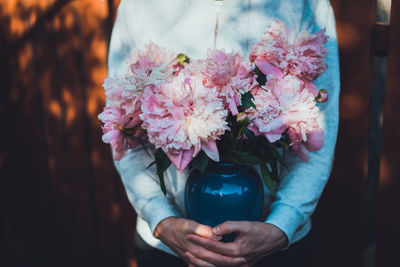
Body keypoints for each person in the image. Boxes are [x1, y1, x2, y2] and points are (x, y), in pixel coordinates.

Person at [107, 0, 340, 266]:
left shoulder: (305, 4)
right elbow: (121, 122)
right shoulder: (139, 6)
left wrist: (283, 223)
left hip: (275, 246)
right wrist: (160, 217)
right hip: (168, 245)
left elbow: (320, 122)